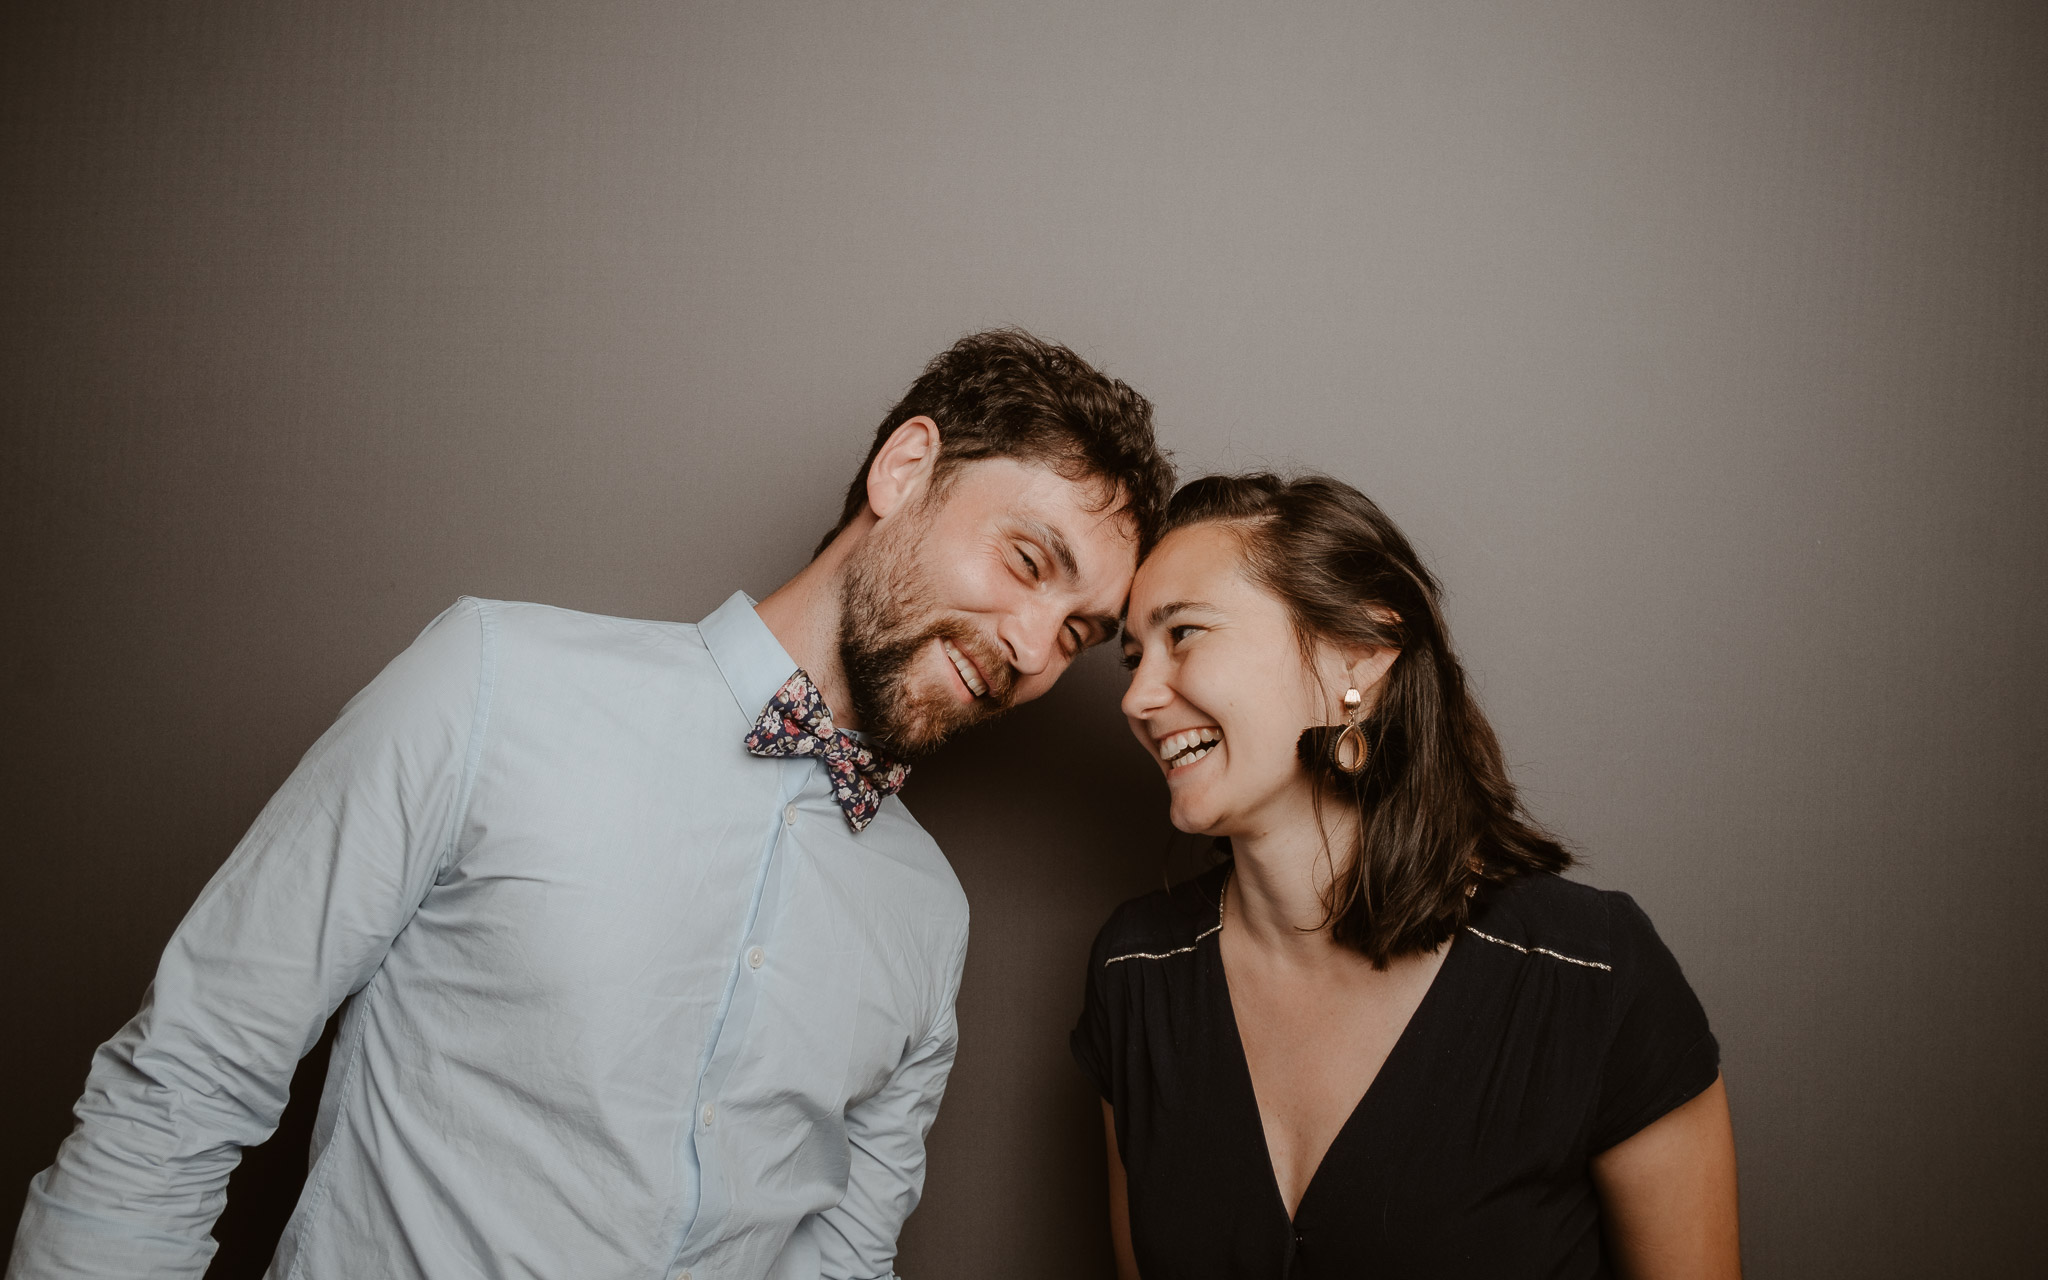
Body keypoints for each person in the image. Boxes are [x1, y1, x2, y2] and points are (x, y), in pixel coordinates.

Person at [9, 329, 1174, 1280]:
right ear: (904, 470)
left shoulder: (928, 917)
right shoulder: (493, 681)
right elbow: (185, 1080)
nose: (1032, 649)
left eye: (1077, 634)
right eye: (1028, 561)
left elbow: (843, 1262)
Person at [1073, 474, 1740, 1279]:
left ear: (1358, 653)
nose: (1139, 699)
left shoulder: (1590, 974)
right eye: (1133, 658)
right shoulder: (1137, 972)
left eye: (1184, 635)